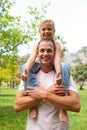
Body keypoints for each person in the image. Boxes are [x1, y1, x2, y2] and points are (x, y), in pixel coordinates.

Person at [14, 39, 80, 130]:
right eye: (42, 50)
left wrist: (45, 94)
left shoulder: (63, 75)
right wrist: (48, 92)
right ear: (37, 53)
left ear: (54, 54)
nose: (45, 54)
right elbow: (18, 106)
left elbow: (76, 105)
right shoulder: (29, 75)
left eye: (49, 50)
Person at [21, 19, 67, 121]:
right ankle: (32, 103)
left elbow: (57, 58)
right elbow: (32, 58)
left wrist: (58, 72)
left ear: (54, 31)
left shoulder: (57, 44)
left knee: (65, 67)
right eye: (44, 29)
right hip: (40, 64)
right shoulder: (37, 44)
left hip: (54, 64)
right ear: (39, 31)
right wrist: (26, 71)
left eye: (49, 29)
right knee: (25, 67)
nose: (46, 31)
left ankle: (62, 106)